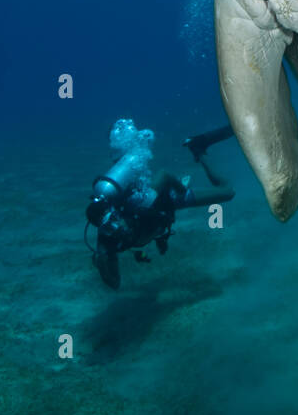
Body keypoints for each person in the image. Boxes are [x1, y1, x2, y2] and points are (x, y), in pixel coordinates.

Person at [85, 119, 235, 290]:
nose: (118, 229)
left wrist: (180, 189)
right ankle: (197, 150)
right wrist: (102, 264)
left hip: (168, 199)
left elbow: (164, 175)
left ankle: (198, 148)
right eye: (111, 229)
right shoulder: (106, 243)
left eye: (115, 223)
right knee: (226, 193)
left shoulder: (140, 202)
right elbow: (115, 283)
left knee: (228, 192)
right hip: (160, 214)